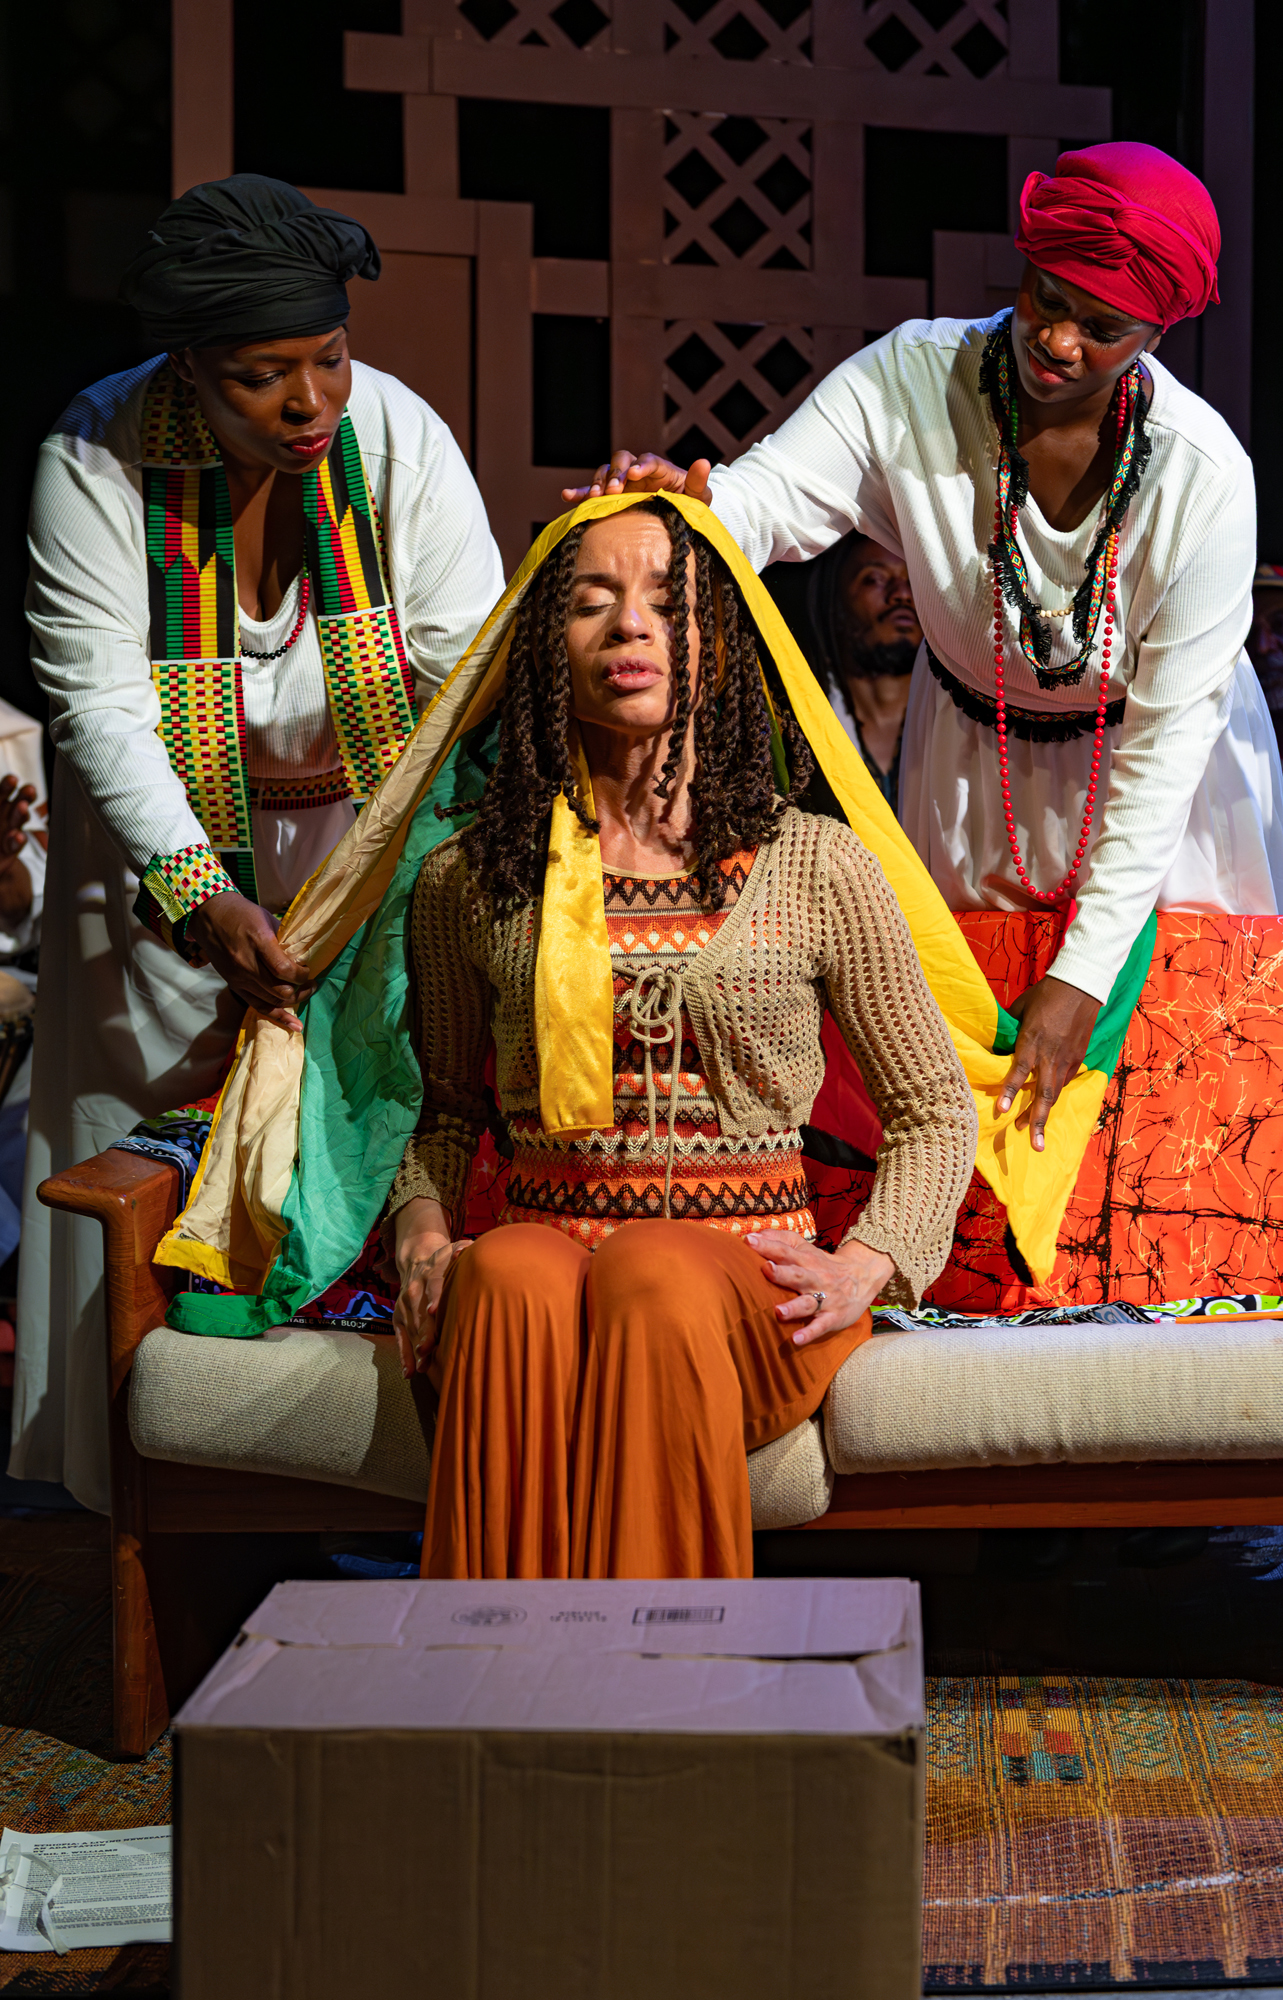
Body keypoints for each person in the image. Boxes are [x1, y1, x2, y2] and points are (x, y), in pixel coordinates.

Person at [570, 142, 1283, 1160]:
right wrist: (694, 498)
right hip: (972, 755)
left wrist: (1082, 973)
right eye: (1045, 296)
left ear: (1156, 331)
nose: (1058, 337)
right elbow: (771, 497)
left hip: (1162, 781)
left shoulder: (1203, 475)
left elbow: (1166, 744)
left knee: (1175, 1078)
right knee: (966, 1044)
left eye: (1101, 326)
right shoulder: (913, 375)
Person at [12, 174, 504, 1511]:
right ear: (189, 369)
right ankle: (140, 1513)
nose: (308, 404)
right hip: (165, 890)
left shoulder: (394, 437)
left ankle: (342, 1494)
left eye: (328, 360)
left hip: (366, 859)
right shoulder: (95, 453)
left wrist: (414, 890)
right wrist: (200, 893)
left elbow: (468, 677)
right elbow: (102, 706)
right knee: (140, 1171)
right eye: (260, 376)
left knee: (357, 1145)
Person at [388, 500, 976, 1576]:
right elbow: (443, 1111)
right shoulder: (468, 878)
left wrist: (863, 1266)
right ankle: (485, 1688)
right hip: (552, 1279)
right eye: (591, 602)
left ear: (721, 646)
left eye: (668, 602)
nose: (630, 627)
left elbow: (933, 1112)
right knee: (507, 1271)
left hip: (745, 1296)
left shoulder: (813, 864)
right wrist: (424, 1234)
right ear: (541, 647)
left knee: (655, 1269)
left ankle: (666, 1695)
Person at [804, 533, 921, 813]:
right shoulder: (797, 718)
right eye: (874, 578)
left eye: (914, 580)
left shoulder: (961, 722)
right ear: (833, 601)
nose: (902, 593)